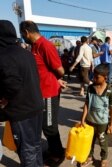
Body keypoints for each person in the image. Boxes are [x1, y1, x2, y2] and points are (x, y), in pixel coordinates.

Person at [19, 20, 67, 166]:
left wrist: (56, 79)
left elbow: (60, 70)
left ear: (26, 32)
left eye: (22, 34)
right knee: (44, 124)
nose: (22, 37)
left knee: (49, 126)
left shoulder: (45, 45)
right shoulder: (34, 46)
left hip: (49, 93)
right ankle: (53, 149)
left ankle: (58, 154)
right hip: (40, 93)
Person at [0, 20, 44, 167]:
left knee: (27, 150)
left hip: (21, 111)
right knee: (35, 146)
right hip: (36, 106)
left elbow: (12, 84)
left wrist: (4, 99)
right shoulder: (26, 53)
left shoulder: (4, 55)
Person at [80, 64, 112, 167]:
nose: (94, 79)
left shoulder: (110, 91)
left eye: (97, 77)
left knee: (102, 141)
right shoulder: (90, 88)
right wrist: (83, 119)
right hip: (90, 121)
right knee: (89, 141)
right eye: (93, 76)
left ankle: (104, 159)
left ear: (105, 77)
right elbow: (86, 104)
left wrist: (111, 124)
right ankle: (89, 157)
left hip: (102, 123)